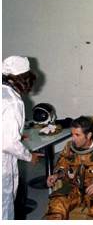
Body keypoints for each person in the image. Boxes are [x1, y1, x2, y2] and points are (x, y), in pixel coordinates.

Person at [2, 56, 43, 220]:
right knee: (3, 209)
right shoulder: (12, 101)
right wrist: (28, 156)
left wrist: (16, 134)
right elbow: (8, 144)